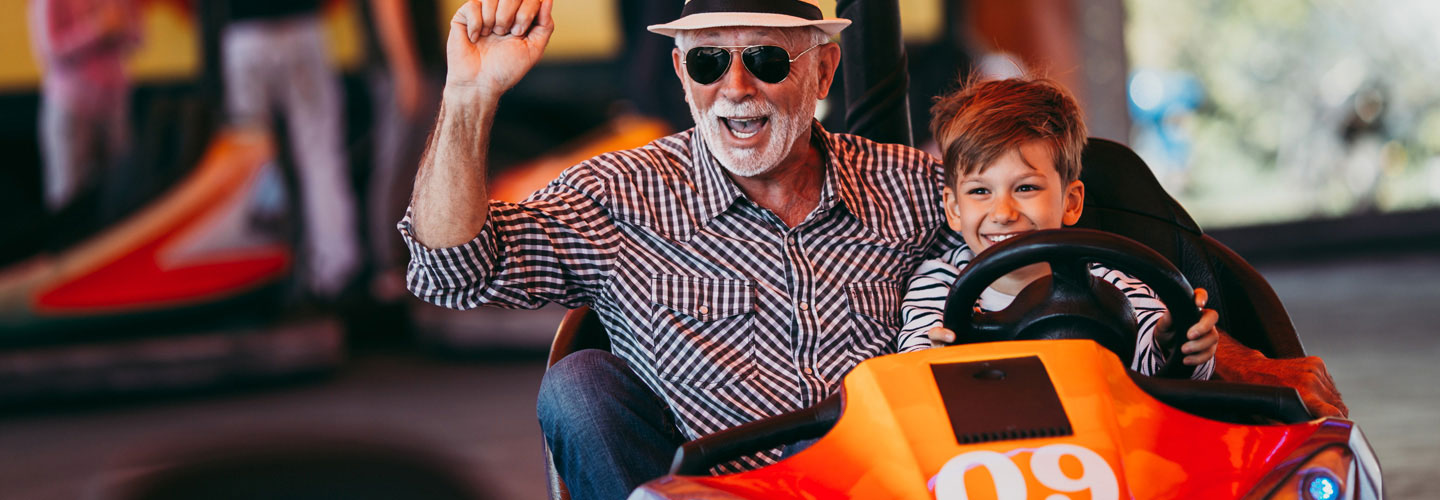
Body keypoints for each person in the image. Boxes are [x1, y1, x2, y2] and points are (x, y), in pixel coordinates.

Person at [403, 0, 1344, 497]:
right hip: (738, 495)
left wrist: (1215, 342)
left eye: (769, 59)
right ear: (683, 77)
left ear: (820, 68)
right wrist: (470, 98)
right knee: (578, 387)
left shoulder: (910, 181)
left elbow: (1055, 245)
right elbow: (447, 268)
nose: (739, 88)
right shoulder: (620, 196)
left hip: (919, 482)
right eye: (707, 61)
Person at [897, 76, 1217, 378]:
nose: (1003, 213)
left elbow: (1170, 373)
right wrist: (936, 359)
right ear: (954, 209)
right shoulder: (939, 284)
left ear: (1071, 202)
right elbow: (916, 361)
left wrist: (1175, 341)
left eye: (1026, 188)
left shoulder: (1108, 283)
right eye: (980, 191)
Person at [219, 0, 361, 300]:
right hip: (301, 26)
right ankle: (335, 271)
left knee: (250, 167)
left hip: (244, 33)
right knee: (320, 157)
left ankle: (251, 276)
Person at [28, 0, 141, 215]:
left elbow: (138, 37)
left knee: (121, 193)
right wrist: (96, 30)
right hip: (72, 105)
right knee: (69, 195)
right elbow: (49, 50)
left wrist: (122, 28)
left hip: (115, 104)